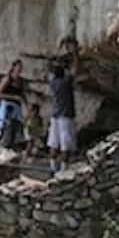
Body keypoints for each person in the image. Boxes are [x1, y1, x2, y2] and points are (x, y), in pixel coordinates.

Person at [48, 42, 81, 173]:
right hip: (65, 116)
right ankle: (63, 169)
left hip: (55, 116)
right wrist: (75, 54)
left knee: (53, 142)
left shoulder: (53, 83)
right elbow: (76, 70)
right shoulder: (65, 83)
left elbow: (51, 68)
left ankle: (52, 167)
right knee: (65, 143)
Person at [0, 58, 26, 147]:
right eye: (18, 67)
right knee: (7, 130)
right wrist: (12, 97)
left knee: (15, 131)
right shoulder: (8, 79)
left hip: (17, 108)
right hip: (8, 107)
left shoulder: (20, 81)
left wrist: (26, 106)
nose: (20, 69)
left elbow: (22, 95)